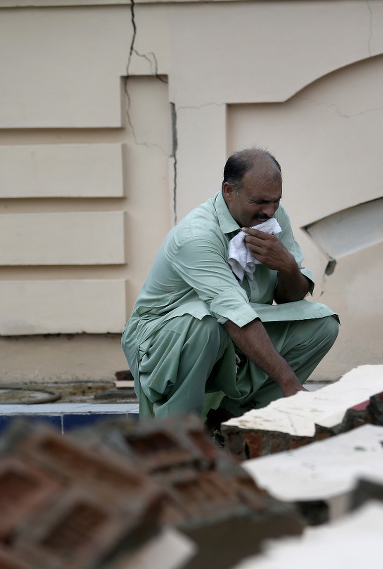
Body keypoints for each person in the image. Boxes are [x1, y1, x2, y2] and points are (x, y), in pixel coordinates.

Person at [121, 148, 339, 421]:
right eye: (260, 201)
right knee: (204, 324)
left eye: (276, 201)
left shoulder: (272, 214)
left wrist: (287, 266)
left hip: (233, 330)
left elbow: (288, 299)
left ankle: (232, 420)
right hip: (163, 340)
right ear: (228, 191)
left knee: (322, 324)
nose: (269, 211)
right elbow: (234, 314)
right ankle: (179, 433)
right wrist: (290, 383)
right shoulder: (197, 236)